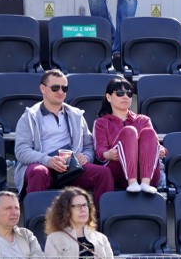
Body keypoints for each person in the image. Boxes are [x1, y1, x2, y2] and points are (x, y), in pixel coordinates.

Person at [13, 69, 113, 208]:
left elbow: (89, 145)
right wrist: (47, 160)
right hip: (44, 165)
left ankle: (100, 222)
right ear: (43, 88)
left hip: (71, 167)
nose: (60, 92)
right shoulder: (29, 117)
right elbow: (21, 151)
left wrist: (87, 157)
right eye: (55, 88)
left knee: (103, 173)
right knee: (38, 172)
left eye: (64, 88)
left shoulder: (76, 115)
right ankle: (35, 221)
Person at [93, 76, 165, 193]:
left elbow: (153, 143)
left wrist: (161, 150)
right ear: (108, 97)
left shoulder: (143, 120)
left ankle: (145, 184)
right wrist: (107, 154)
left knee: (148, 132)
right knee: (129, 131)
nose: (125, 96)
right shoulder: (101, 123)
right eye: (120, 93)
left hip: (148, 175)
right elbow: (99, 151)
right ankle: (132, 183)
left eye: (129, 93)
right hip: (119, 173)